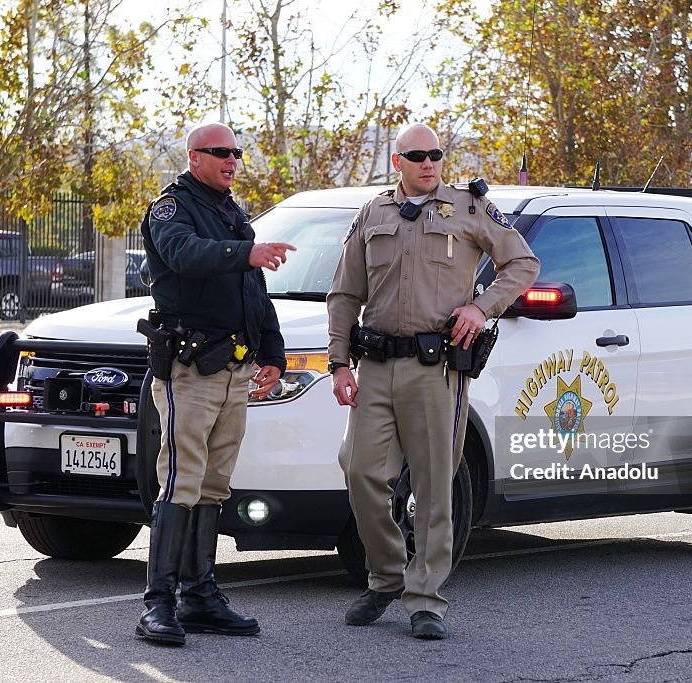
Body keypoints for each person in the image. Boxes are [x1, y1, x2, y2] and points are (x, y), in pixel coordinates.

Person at [327, 123, 540, 639]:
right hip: (375, 365)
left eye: (436, 154)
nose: (429, 163)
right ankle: (386, 575)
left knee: (433, 486)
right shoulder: (373, 213)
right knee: (359, 472)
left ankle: (426, 600)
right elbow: (344, 293)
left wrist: (482, 306)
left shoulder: (468, 208)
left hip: (435, 368)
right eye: (417, 156)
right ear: (397, 161)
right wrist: (338, 362)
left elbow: (522, 263)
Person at [136, 122, 296, 647]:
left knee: (214, 486)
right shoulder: (172, 208)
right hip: (190, 369)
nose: (231, 160)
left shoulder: (232, 211)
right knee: (180, 480)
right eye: (220, 152)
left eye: (236, 153)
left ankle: (200, 596)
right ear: (194, 156)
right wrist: (242, 253)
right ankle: (158, 605)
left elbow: (254, 291)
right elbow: (183, 255)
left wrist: (273, 352)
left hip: (235, 368)